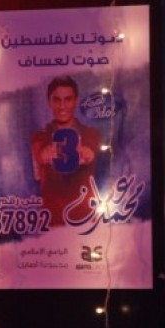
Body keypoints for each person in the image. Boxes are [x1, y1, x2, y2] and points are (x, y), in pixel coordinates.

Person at [31, 75, 101, 226]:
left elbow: (91, 151)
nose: (62, 106)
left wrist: (86, 153)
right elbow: (40, 155)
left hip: (85, 219)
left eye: (68, 99)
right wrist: (45, 154)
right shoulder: (40, 137)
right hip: (51, 221)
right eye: (57, 100)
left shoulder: (91, 134)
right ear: (49, 102)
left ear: (76, 101)